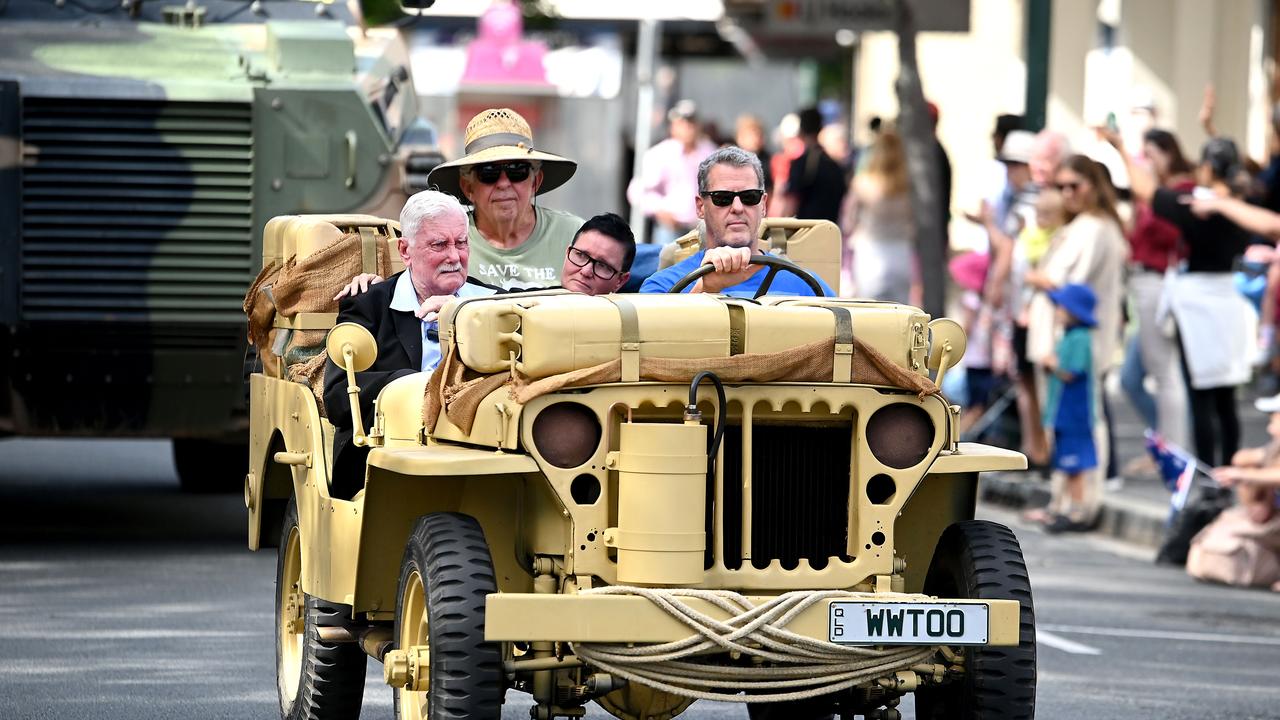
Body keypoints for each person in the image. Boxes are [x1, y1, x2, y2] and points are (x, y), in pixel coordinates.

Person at [322, 191, 496, 497]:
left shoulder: (494, 302)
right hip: (390, 463)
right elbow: (338, 399)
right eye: (439, 245)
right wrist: (419, 386)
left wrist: (464, 315)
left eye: (461, 242)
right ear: (405, 250)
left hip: (486, 456)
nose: (455, 257)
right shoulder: (369, 304)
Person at [1116, 133, 1253, 468]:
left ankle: (1208, 475)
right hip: (1232, 299)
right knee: (1226, 398)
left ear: (1207, 168)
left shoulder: (1196, 205)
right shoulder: (1245, 207)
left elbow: (1147, 192)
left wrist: (1120, 147)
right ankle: (1229, 470)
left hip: (1200, 302)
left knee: (1202, 396)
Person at [1024, 155, 1128, 526]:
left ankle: (1080, 506)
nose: (1067, 193)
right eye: (1061, 186)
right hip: (1062, 342)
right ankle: (1062, 502)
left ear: (1094, 185)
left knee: (1081, 425)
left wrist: (1037, 278)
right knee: (1063, 425)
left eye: (1075, 185)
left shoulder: (1095, 228)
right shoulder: (1087, 226)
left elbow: (1071, 286)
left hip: (1074, 344)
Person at [1105, 128, 1195, 453]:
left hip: (1158, 282)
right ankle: (1164, 445)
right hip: (1143, 282)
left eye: (1151, 154)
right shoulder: (1156, 195)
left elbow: (1167, 233)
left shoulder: (1178, 191)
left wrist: (1121, 150)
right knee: (1133, 376)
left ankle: (1174, 449)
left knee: (1165, 373)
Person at [640, 146, 834, 297]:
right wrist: (706, 288)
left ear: (763, 205)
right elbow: (658, 345)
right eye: (722, 198)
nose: (738, 207)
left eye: (750, 197)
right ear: (700, 207)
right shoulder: (662, 286)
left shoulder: (807, 285)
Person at [427, 107, 583, 289]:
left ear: (535, 182)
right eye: (488, 172)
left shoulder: (575, 236)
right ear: (468, 187)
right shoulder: (444, 241)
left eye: (517, 170)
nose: (503, 183)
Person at [335, 212, 638, 300]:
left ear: (621, 280)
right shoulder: (518, 303)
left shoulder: (634, 321)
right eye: (581, 256)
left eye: (601, 266)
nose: (586, 270)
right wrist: (380, 289)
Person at [1041, 283, 1100, 533]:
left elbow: (1072, 372)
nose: (1057, 312)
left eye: (1062, 308)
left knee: (1074, 465)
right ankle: (1065, 507)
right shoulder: (1068, 336)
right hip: (1063, 413)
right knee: (1066, 463)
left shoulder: (1080, 338)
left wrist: (1052, 363)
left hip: (1074, 414)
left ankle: (1077, 510)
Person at [628, 99, 717, 245]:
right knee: (669, 266)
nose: (688, 127)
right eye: (683, 123)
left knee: (704, 266)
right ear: (673, 126)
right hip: (670, 228)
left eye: (691, 122)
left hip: (703, 227)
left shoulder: (709, 152)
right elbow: (638, 190)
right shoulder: (660, 153)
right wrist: (660, 211)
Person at [841, 130, 914, 304]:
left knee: (869, 312)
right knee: (900, 314)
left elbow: (848, 222)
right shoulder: (909, 185)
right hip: (901, 251)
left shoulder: (863, 182)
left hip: (870, 251)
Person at [777, 107, 845, 224]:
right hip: (831, 232)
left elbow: (791, 204)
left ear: (801, 131)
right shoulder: (834, 165)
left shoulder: (801, 164)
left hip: (805, 234)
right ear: (820, 128)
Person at [734, 114, 773, 193]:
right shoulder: (730, 161)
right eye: (752, 135)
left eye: (759, 134)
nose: (757, 138)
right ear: (740, 137)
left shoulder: (769, 161)